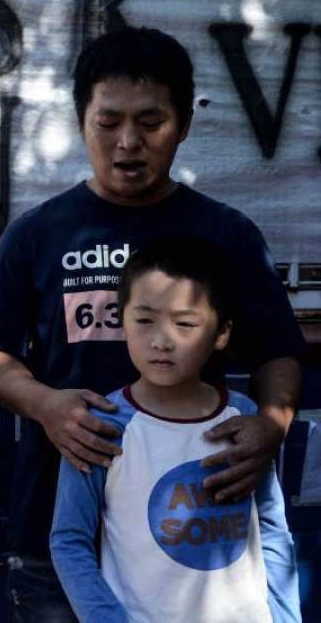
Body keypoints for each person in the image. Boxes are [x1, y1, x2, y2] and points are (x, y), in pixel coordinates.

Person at [0, 26, 305, 621]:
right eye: (109, 122)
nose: (128, 142)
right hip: (60, 521)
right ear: (82, 122)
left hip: (192, 531)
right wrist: (45, 405)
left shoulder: (226, 235)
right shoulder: (38, 234)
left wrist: (271, 428)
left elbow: (278, 350)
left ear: (184, 124)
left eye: (151, 123)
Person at [50, 236, 300, 622]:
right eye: (145, 320)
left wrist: (285, 615)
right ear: (121, 320)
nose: (162, 341)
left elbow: (271, 528)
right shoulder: (102, 425)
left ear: (221, 333)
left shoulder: (243, 417)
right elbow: (69, 540)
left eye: (185, 324)